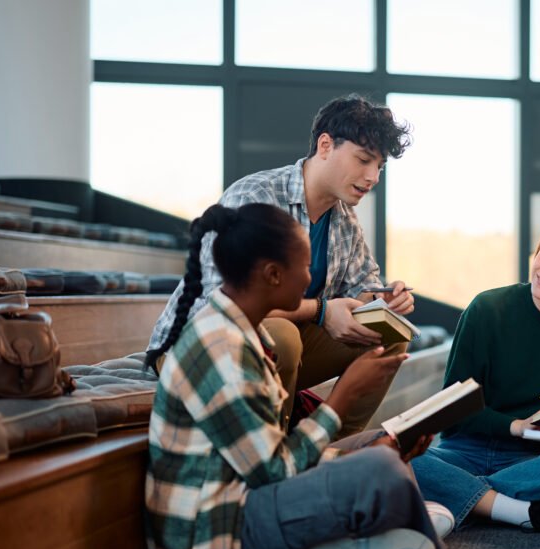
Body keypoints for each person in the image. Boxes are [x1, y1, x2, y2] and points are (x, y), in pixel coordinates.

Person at [145, 203, 445, 549]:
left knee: (381, 444)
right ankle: (382, 534)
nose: (309, 279)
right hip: (211, 538)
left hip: (247, 501)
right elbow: (272, 472)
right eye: (304, 267)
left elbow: (272, 458)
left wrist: (373, 448)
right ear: (272, 275)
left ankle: (355, 545)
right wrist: (343, 397)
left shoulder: (246, 332)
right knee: (378, 466)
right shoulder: (218, 346)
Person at [148, 94, 415, 437]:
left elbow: (362, 287)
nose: (373, 176)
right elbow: (224, 308)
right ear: (324, 145)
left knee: (390, 339)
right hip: (203, 344)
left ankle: (336, 447)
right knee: (283, 338)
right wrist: (321, 312)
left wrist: (383, 302)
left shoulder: (345, 219)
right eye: (364, 160)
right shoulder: (255, 196)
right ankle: (278, 453)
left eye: (379, 167)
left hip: (279, 346)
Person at [410, 216, 540, 533]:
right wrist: (516, 426)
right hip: (463, 450)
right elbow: (452, 410)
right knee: (400, 459)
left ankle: (461, 498)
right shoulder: (487, 309)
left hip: (532, 461)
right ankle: (519, 510)